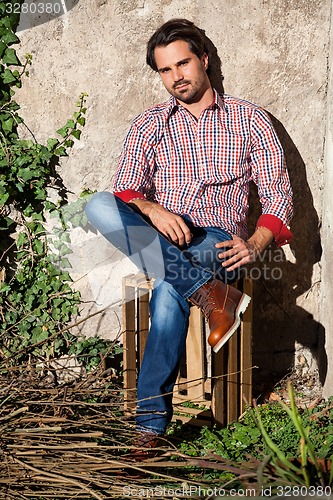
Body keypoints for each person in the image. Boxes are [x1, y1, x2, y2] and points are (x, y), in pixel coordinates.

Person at [85, 18, 293, 457]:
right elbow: (124, 191)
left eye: (182, 64)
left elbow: (279, 195)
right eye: (164, 70)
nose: (176, 76)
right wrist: (152, 209)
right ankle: (210, 295)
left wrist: (254, 244)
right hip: (160, 236)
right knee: (96, 206)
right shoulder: (150, 124)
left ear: (204, 60)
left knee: (166, 291)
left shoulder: (248, 118)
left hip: (214, 239)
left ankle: (149, 431)